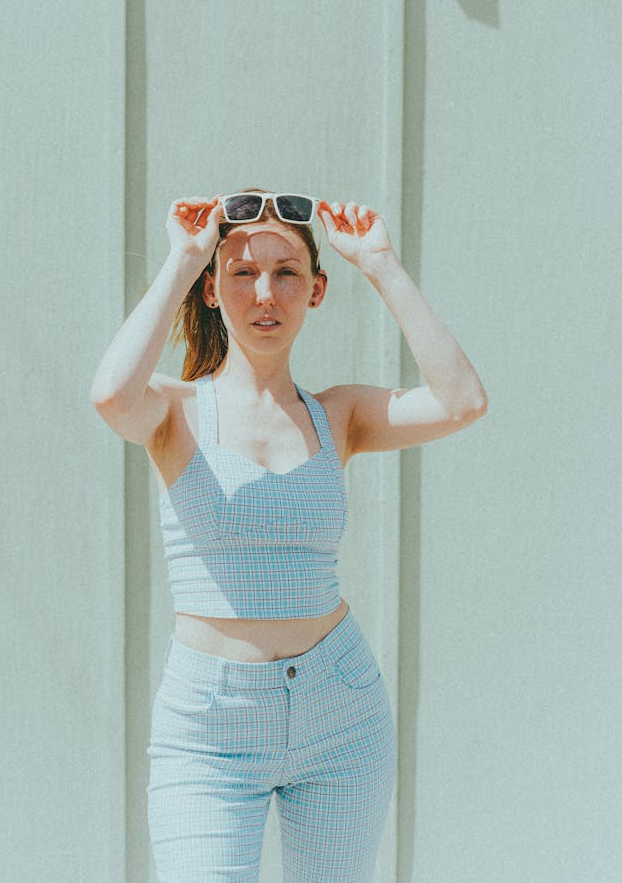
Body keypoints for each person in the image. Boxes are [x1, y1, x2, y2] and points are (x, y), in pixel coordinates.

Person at [91, 190, 487, 882]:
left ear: (316, 288)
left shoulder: (340, 415)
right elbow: (110, 395)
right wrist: (184, 256)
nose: (265, 292)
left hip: (341, 712)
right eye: (241, 273)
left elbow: (462, 400)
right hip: (210, 726)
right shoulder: (174, 411)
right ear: (213, 290)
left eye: (286, 272)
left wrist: (382, 263)